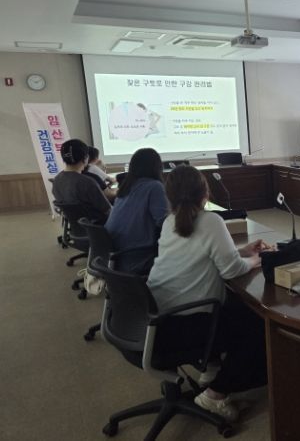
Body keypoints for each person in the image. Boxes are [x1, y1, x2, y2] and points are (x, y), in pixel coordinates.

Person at [147, 165, 269, 421]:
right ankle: (215, 393)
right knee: (257, 325)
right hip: (185, 323)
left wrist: (242, 251)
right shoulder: (211, 220)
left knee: (236, 308)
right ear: (205, 192)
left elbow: (198, 253)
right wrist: (256, 260)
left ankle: (210, 369)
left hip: (159, 317)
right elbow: (231, 270)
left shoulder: (170, 221)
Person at [104, 148, 169, 273]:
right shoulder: (154, 186)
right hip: (137, 255)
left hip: (116, 252)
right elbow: (165, 222)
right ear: (157, 167)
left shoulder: (126, 185)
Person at [51, 139, 111, 223]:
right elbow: (108, 210)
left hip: (76, 225)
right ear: (85, 158)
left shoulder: (56, 180)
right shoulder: (87, 182)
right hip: (97, 225)